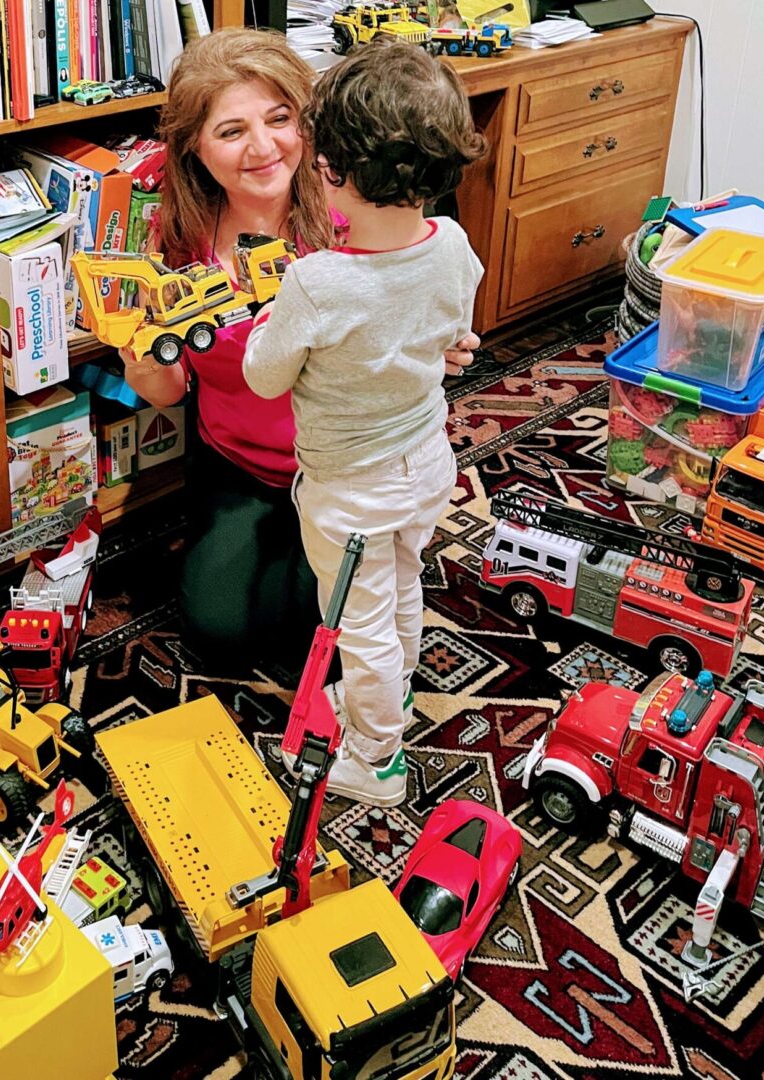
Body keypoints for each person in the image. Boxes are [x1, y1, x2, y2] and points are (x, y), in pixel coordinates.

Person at [123, 28, 478, 667]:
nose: (263, 148)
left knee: (346, 630)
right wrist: (148, 371)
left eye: (280, 118)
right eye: (231, 132)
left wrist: (441, 347)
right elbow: (171, 388)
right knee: (222, 634)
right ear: (194, 149)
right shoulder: (177, 235)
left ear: (308, 123)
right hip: (242, 464)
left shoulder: (366, 208)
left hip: (359, 465)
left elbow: (434, 302)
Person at [242, 39, 487, 807]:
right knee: (402, 585)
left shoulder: (316, 283)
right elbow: (455, 329)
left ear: (331, 170)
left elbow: (263, 376)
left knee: (360, 623)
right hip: (426, 460)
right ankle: (396, 698)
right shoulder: (451, 243)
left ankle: (377, 759)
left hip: (351, 489)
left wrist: (269, 319)